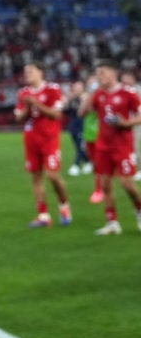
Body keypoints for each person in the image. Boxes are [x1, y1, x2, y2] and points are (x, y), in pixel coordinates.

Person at [78, 58, 141, 235]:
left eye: (102, 73)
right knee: (105, 185)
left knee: (128, 184)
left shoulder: (129, 93)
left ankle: (139, 212)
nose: (99, 77)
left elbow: (140, 116)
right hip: (103, 146)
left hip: (123, 145)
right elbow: (82, 113)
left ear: (114, 73)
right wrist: (90, 93)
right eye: (97, 74)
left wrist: (125, 123)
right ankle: (112, 222)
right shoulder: (98, 94)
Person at [13, 62, 72, 227]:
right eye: (26, 71)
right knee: (36, 177)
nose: (27, 74)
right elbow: (18, 118)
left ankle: (64, 205)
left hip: (49, 138)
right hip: (31, 139)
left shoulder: (52, 89)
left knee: (53, 175)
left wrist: (36, 103)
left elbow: (56, 114)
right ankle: (43, 215)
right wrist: (27, 106)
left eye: (31, 71)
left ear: (41, 72)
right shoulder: (23, 93)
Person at [65, 80, 89, 176]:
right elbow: (65, 111)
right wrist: (68, 100)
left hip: (83, 125)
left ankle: (76, 165)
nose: (76, 89)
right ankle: (88, 162)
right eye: (75, 87)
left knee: (80, 146)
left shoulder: (86, 98)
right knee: (77, 146)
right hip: (73, 125)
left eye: (79, 87)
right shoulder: (73, 99)